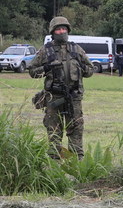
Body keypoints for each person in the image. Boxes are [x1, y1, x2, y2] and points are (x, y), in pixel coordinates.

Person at [29, 16, 94, 160]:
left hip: (74, 97)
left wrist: (80, 66)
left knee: (76, 129)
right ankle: (54, 164)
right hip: (54, 97)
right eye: (58, 29)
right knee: (54, 131)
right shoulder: (46, 51)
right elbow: (32, 71)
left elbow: (90, 70)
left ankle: (77, 163)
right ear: (53, 32)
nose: (61, 31)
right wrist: (46, 67)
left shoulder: (76, 49)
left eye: (64, 29)